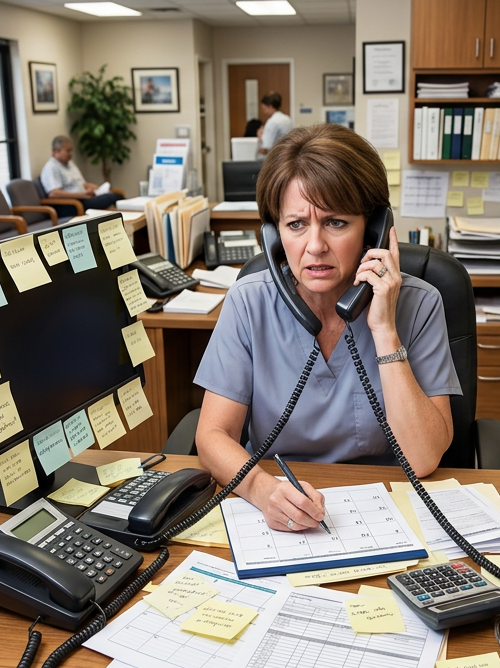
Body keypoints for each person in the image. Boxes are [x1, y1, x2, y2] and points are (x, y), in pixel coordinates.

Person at [194, 123, 460, 533]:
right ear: (274, 235)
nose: (314, 245)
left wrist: (385, 329)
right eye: (296, 224)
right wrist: (262, 490)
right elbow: (212, 436)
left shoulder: (419, 303)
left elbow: (423, 459)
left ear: (373, 229)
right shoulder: (250, 301)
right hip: (278, 505)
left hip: (388, 510)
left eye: (335, 222)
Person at [39, 135, 123, 211]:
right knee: (111, 197)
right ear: (56, 151)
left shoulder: (70, 164)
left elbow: (82, 183)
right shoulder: (51, 167)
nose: (71, 154)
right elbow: (54, 194)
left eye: (71, 150)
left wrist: (94, 188)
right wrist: (81, 195)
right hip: (72, 204)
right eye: (68, 151)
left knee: (116, 195)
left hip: (84, 198)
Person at [258, 91, 293, 156]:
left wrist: (260, 136)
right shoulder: (288, 119)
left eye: (264, 109)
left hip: (275, 159)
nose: (264, 112)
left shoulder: (272, 122)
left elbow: (265, 149)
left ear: (270, 107)